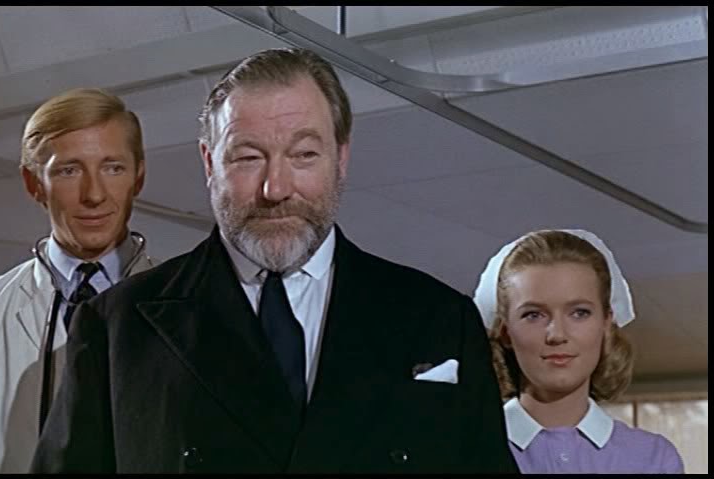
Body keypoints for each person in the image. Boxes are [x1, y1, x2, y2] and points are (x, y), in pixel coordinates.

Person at [30, 47, 518, 474]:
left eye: (303, 155)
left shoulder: (439, 318)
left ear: (341, 158)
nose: (276, 188)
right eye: (248, 158)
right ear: (209, 163)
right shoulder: (117, 326)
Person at [0, 88, 157, 473]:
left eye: (113, 168)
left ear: (138, 177)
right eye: (68, 170)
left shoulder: (192, 307)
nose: (94, 194)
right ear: (34, 184)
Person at [473, 229, 685, 474]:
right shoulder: (465, 448)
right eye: (534, 315)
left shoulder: (652, 458)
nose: (557, 334)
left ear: (606, 324)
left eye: (579, 313)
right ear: (505, 331)